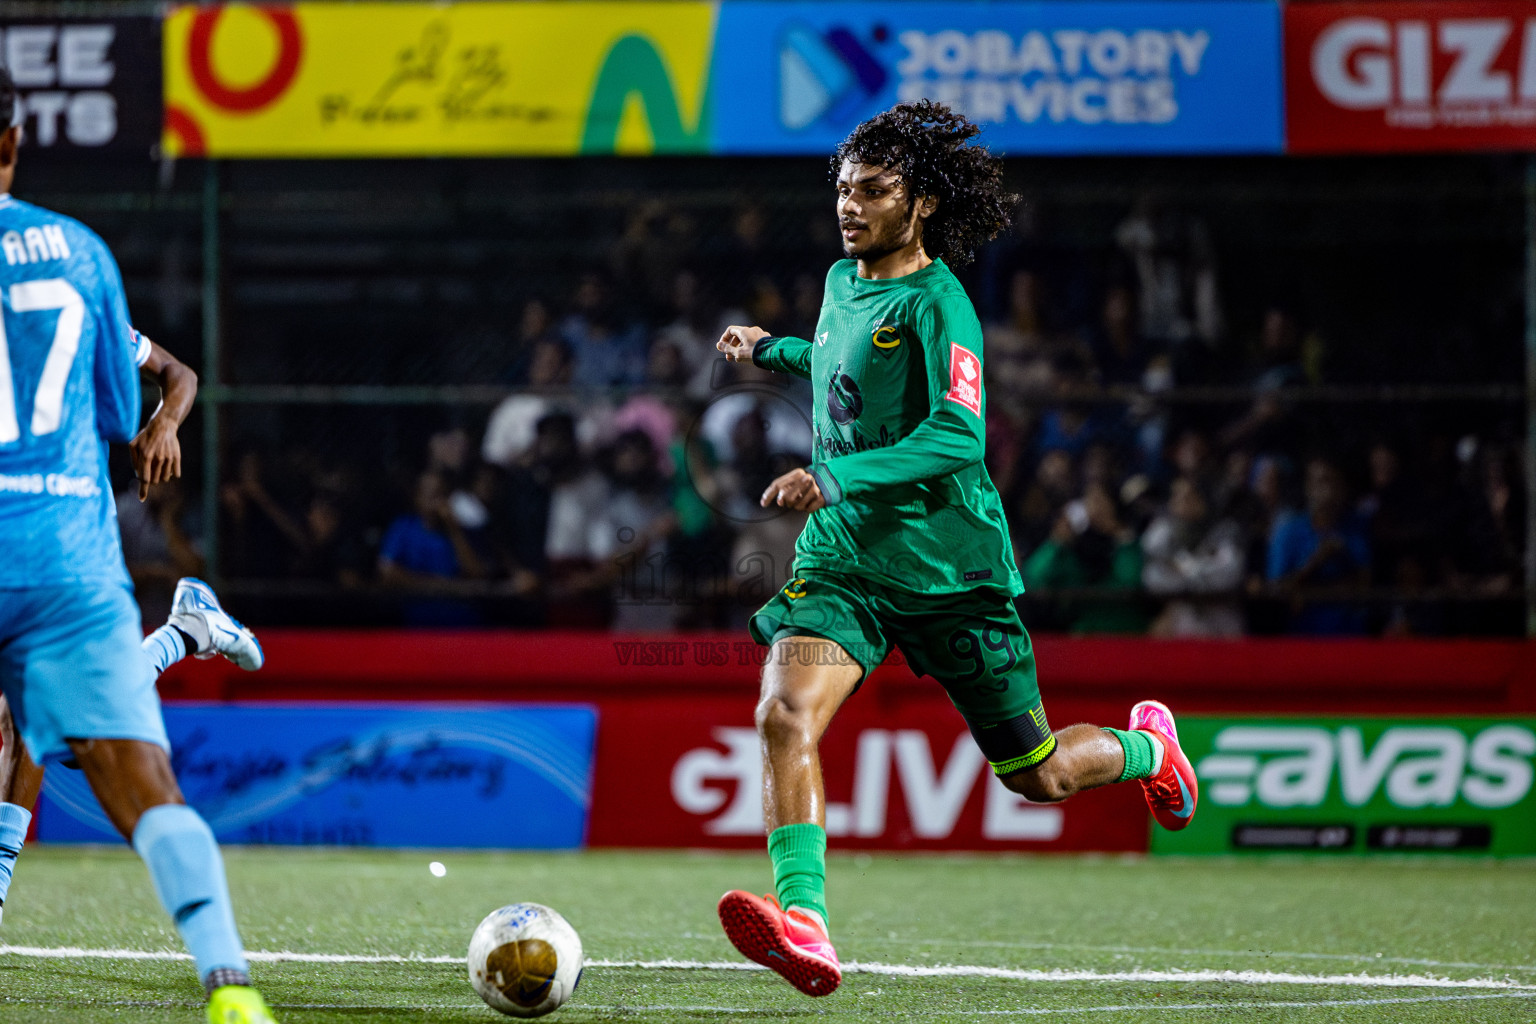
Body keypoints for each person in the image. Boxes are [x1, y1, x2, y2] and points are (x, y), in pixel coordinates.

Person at [710, 101, 1200, 998]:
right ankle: (806, 924)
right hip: (846, 560)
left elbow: (959, 436)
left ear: (923, 202)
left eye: (873, 191)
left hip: (950, 572)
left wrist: (837, 477)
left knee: (1039, 774)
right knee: (784, 714)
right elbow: (838, 358)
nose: (850, 206)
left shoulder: (943, 306)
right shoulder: (838, 279)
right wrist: (771, 347)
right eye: (843, 190)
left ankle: (1145, 750)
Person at [0, 67, 278, 1024]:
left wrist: (168, 419)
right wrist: (146, 422)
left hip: (47, 539)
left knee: (42, 732)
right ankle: (230, 989)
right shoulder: (77, 254)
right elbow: (124, 407)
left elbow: (173, 378)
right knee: (90, 750)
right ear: (13, 144)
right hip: (65, 550)